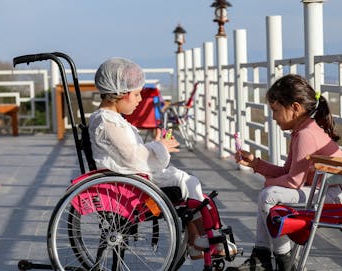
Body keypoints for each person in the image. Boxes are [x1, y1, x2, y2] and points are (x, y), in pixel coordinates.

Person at [88, 57, 236, 260]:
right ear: (121, 94)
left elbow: (129, 152)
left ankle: (197, 240)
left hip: (129, 178)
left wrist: (156, 145)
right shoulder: (107, 122)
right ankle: (203, 238)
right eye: (137, 94)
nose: (140, 99)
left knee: (186, 185)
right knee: (188, 182)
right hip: (131, 186)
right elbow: (134, 158)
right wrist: (160, 147)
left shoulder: (109, 120)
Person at [224, 74, 342, 271]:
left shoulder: (306, 135)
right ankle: (274, 261)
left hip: (333, 196)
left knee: (269, 195)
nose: (273, 117)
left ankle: (279, 261)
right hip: (321, 190)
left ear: (295, 107)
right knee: (269, 195)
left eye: (275, 110)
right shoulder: (302, 131)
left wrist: (268, 185)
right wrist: (255, 164)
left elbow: (292, 182)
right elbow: (287, 172)